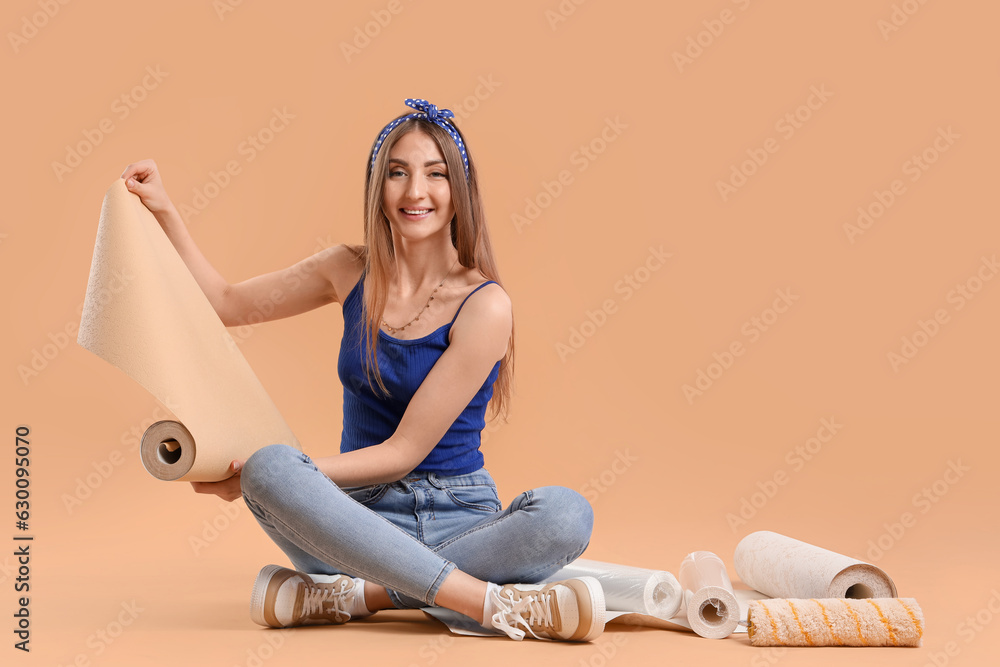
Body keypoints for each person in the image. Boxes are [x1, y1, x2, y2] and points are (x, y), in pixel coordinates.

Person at [119, 99, 605, 642]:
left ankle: (359, 595)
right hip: (351, 521)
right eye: (397, 172)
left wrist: (299, 476)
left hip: (461, 514)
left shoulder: (486, 306)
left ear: (459, 191)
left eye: (435, 174)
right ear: (378, 187)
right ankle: (478, 599)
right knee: (272, 467)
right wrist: (165, 211)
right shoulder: (344, 270)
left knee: (566, 515)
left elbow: (404, 453)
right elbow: (227, 304)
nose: (415, 191)